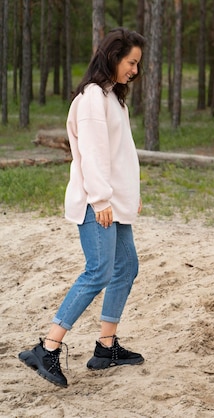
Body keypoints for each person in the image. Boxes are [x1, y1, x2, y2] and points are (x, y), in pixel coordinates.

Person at [18, 28, 147, 388]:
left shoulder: (112, 98)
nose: (135, 70)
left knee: (127, 267)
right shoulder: (92, 98)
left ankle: (106, 347)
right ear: (113, 57)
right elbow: (92, 154)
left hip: (112, 201)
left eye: (137, 64)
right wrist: (103, 198)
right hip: (97, 202)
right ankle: (47, 347)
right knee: (99, 271)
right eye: (131, 62)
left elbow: (120, 155)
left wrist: (126, 194)